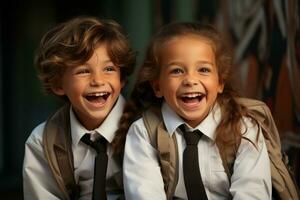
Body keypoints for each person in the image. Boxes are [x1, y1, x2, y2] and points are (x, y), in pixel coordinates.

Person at [120, 22, 272, 199]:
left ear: (220, 83)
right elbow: (144, 194)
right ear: (157, 86)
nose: (190, 80)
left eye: (203, 70)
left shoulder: (244, 128)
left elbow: (252, 193)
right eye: (176, 71)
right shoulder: (145, 132)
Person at [23, 16, 135, 200]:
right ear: (58, 84)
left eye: (109, 69)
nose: (98, 81)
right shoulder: (43, 141)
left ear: (122, 79)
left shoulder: (148, 128)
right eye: (83, 71)